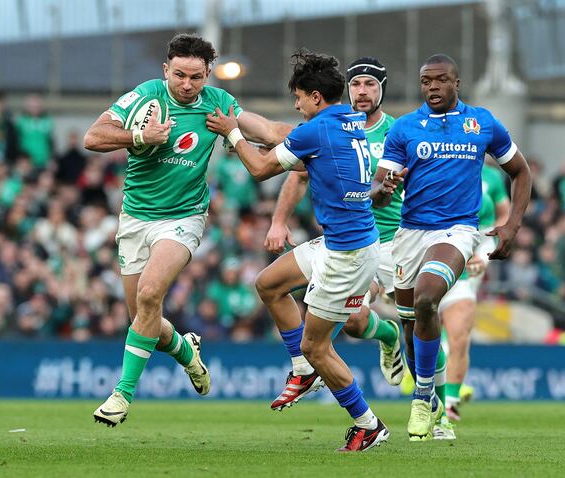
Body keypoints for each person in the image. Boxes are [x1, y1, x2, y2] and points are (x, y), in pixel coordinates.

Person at [84, 33, 289, 427]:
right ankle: (185, 351)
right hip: (135, 219)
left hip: (183, 218)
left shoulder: (218, 105)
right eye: (179, 75)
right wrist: (139, 136)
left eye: (196, 77)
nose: (187, 84)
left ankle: (121, 395)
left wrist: (323, 132)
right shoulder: (145, 97)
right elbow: (93, 137)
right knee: (144, 320)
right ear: (166, 70)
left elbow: (268, 130)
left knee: (149, 293)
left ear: (208, 74)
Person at [208, 50, 389, 452]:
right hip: (344, 240)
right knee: (269, 283)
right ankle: (304, 370)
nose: (296, 104)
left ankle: (367, 423)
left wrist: (232, 133)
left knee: (316, 345)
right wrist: (250, 131)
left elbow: (258, 169)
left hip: (348, 255)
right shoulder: (348, 119)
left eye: (299, 97)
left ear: (315, 98)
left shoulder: (317, 130)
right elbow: (279, 133)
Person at [371, 54, 532, 441]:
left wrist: (512, 225)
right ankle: (438, 403)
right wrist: (384, 189)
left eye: (440, 80)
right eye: (426, 81)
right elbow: (377, 191)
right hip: (409, 235)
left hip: (458, 231)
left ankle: (422, 399)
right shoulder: (405, 128)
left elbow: (521, 171)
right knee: (411, 325)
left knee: (427, 300)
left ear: (456, 83)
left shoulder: (481, 123)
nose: (432, 87)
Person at [263, 56, 404, 389]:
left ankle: (433, 405)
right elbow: (298, 175)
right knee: (354, 322)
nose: (362, 91)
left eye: (370, 84)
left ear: (382, 89)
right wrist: (278, 221)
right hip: (351, 240)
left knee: (424, 315)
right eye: (356, 84)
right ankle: (387, 334)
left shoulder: (397, 132)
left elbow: (408, 188)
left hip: (392, 241)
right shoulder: (335, 124)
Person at [436, 163, 510, 432]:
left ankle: (451, 400)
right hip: (421, 266)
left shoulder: (485, 192)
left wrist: (484, 258)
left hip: (463, 272)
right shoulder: (427, 180)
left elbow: (489, 232)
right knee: (424, 332)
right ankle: (424, 387)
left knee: (459, 330)